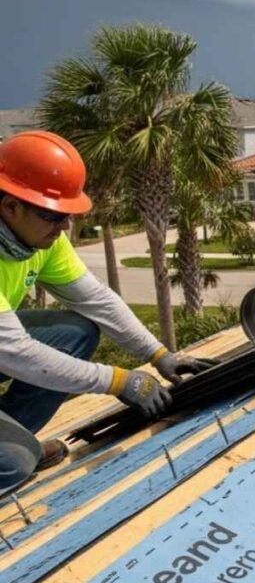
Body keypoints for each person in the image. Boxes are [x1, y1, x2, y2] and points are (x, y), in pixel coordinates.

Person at [0, 130, 214, 491]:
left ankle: (18, 436)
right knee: (11, 465)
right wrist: (118, 381)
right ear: (10, 207)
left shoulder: (38, 238)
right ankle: (14, 453)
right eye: (54, 215)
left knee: (76, 332)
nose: (65, 226)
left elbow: (97, 301)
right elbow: (15, 353)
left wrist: (159, 354)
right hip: (6, 349)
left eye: (68, 215)